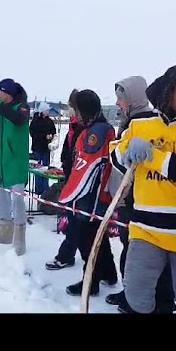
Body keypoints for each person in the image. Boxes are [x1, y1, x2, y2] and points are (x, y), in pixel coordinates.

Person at [110, 63, 176, 314]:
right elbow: (116, 156)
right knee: (135, 296)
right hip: (147, 230)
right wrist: (127, 150)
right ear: (169, 90)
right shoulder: (141, 124)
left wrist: (152, 157)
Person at [106, 75, 176, 314]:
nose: (118, 103)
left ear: (133, 98)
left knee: (142, 254)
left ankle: (152, 300)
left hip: (141, 200)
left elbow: (141, 162)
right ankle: (133, 294)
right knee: (131, 249)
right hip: (129, 197)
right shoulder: (130, 120)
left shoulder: (144, 121)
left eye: (121, 97)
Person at [58, 89, 118, 296]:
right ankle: (109, 273)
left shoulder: (97, 132)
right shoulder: (95, 128)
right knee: (98, 237)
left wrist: (69, 194)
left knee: (88, 240)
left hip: (90, 198)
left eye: (75, 110)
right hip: (93, 196)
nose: (73, 114)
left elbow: (88, 168)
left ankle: (90, 282)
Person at [0, 78, 31, 255]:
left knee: (17, 199)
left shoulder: (22, 108)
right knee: (1, 196)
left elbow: (18, 120)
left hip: (16, 161)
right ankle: (4, 232)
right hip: (2, 161)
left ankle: (19, 238)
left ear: (7, 93)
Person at [45, 89, 85, 270]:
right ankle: (103, 269)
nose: (68, 110)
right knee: (78, 223)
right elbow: (68, 149)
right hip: (71, 177)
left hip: (79, 181)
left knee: (78, 223)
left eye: (70, 106)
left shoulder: (83, 127)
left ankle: (67, 256)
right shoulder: (73, 124)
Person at [29, 101, 57, 196]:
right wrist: (44, 136)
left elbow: (53, 130)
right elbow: (33, 133)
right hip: (37, 148)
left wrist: (51, 136)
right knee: (38, 169)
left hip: (46, 148)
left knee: (46, 168)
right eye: (46, 110)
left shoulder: (49, 121)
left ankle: (45, 188)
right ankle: (38, 188)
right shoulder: (35, 121)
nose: (48, 112)